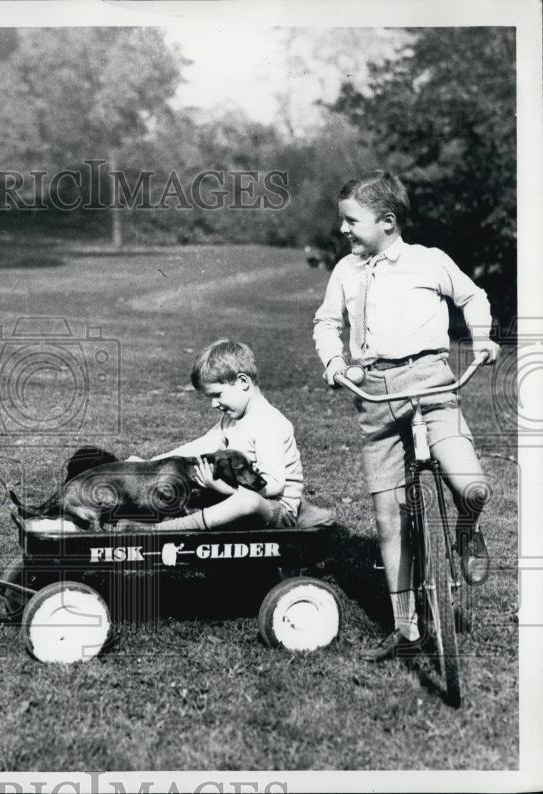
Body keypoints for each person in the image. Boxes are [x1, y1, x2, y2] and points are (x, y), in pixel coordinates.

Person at [313, 170, 500, 662]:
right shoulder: (346, 271)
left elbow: (472, 296)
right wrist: (334, 363)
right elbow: (327, 322)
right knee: (388, 519)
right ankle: (407, 629)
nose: (344, 230)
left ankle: (467, 526)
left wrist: (480, 337)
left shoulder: (427, 262)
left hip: (432, 382)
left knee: (472, 484)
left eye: (352, 221)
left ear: (388, 222)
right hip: (374, 393)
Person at [130, 339, 304, 532]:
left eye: (217, 395)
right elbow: (200, 445)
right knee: (185, 478)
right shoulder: (231, 420)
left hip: (275, 510)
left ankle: (163, 529)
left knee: (247, 502)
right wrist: (148, 463)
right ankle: (142, 514)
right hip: (237, 495)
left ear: (243, 382)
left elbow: (274, 485)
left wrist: (222, 488)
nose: (214, 404)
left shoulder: (268, 423)